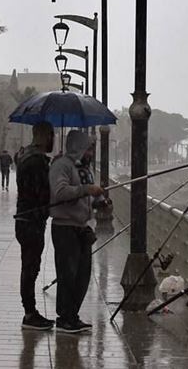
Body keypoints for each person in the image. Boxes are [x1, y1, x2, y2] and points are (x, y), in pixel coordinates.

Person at [49, 130, 105, 334]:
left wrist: (99, 201)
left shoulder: (85, 169)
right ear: (78, 147)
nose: (90, 153)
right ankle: (64, 318)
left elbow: (89, 197)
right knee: (68, 274)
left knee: (82, 275)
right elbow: (60, 192)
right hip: (65, 228)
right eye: (88, 148)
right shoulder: (61, 166)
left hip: (82, 227)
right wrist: (86, 190)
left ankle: (73, 315)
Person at [13, 122, 55, 330]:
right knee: (31, 267)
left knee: (28, 266)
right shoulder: (37, 162)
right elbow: (43, 194)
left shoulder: (25, 156)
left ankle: (30, 311)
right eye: (52, 135)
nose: (53, 140)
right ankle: (30, 314)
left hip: (24, 219)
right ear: (45, 136)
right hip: (32, 220)